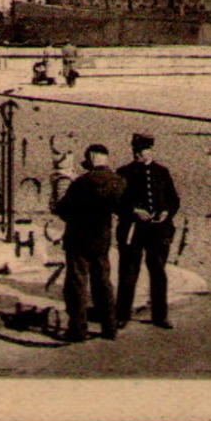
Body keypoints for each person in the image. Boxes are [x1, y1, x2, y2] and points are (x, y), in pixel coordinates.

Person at [51, 143, 126, 342]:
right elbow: (122, 209)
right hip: (101, 240)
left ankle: (78, 329)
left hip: (78, 239)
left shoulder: (81, 183)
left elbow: (64, 210)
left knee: (77, 285)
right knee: (103, 284)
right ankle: (109, 328)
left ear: (91, 158)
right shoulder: (118, 181)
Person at [115, 133, 182, 330]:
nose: (138, 155)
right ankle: (122, 314)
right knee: (128, 272)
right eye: (136, 151)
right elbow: (117, 202)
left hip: (158, 230)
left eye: (142, 151)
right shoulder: (124, 172)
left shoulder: (162, 172)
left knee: (158, 272)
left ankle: (160, 315)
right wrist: (134, 211)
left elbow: (174, 199)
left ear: (150, 151)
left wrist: (166, 213)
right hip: (133, 229)